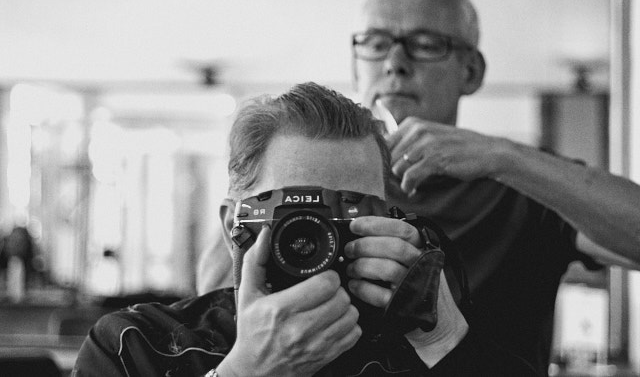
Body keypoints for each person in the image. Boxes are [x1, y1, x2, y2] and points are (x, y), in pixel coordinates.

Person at [198, 0, 640, 376]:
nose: (394, 62)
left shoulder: (520, 190)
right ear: (356, 66)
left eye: (426, 44)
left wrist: (503, 157)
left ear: (471, 71)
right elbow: (216, 308)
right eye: (374, 42)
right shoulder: (303, 190)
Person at [73, 83, 538, 376]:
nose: (316, 236)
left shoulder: (425, 346)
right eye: (293, 211)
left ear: (391, 221)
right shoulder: (137, 347)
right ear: (231, 223)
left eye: (349, 210)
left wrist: (444, 339)